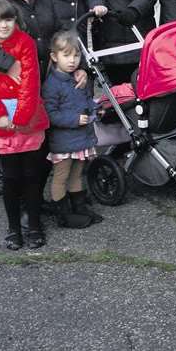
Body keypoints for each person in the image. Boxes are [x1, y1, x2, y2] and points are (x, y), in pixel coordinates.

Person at [0, 0, 50, 250]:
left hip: (28, 119)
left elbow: (30, 81)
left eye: (8, 19)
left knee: (32, 175)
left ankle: (34, 224)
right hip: (1, 122)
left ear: (16, 20)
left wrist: (22, 117)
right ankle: (13, 227)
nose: (4, 25)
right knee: (11, 177)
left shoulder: (25, 43)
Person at [42, 31, 101, 230]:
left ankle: (79, 207)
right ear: (54, 56)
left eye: (76, 56)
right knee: (61, 176)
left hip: (80, 138)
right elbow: (50, 113)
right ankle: (63, 214)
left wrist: (94, 108)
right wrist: (75, 119)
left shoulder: (78, 78)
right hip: (63, 140)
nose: (72, 60)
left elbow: (84, 100)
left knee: (77, 174)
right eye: (66, 55)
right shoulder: (52, 84)